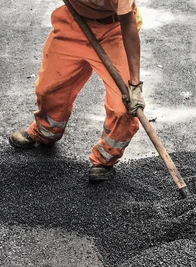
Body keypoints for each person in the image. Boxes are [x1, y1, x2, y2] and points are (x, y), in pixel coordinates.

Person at [9, 0, 145, 182]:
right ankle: (46, 131)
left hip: (115, 30)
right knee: (48, 89)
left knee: (124, 107)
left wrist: (134, 84)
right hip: (74, 22)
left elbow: (128, 25)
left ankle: (105, 158)